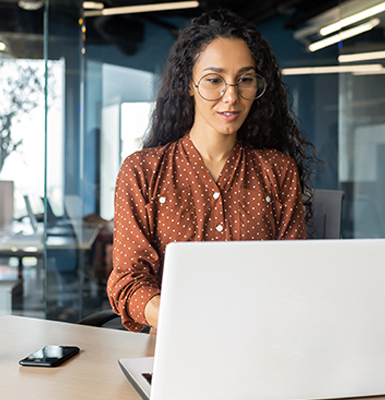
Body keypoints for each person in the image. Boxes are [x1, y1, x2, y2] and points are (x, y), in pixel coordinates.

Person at [107, 9, 317, 332]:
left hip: (260, 346)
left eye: (244, 80)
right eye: (214, 80)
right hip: (173, 349)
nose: (231, 97)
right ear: (188, 84)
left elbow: (294, 278)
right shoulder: (142, 172)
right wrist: (188, 320)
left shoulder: (278, 171)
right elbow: (128, 281)